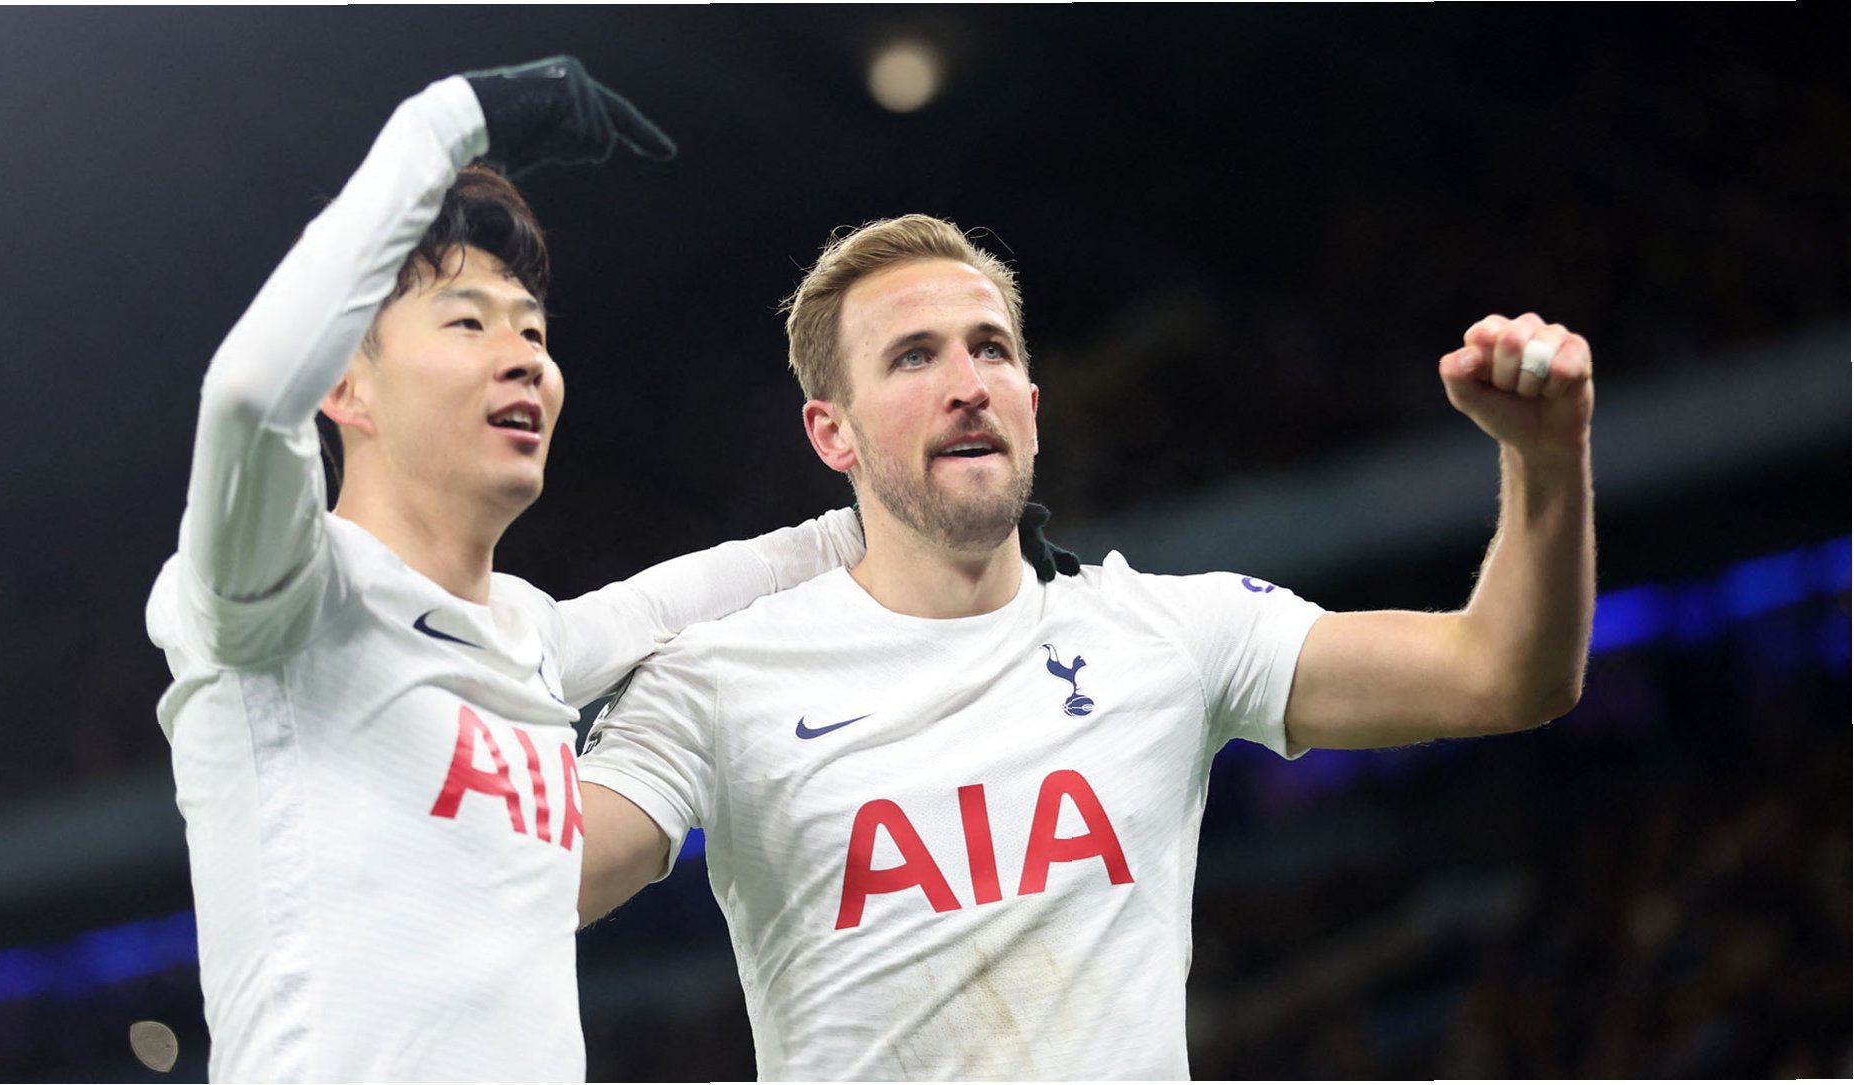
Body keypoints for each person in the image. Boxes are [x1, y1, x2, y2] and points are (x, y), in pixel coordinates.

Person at [575, 214, 1596, 1080]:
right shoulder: (719, 676)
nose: (968, 383)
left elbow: (1506, 674)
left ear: (1031, 403)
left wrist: (1546, 459)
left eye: (991, 348)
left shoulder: (1172, 631)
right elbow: (535, 883)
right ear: (830, 431)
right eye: (914, 356)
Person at [143, 57, 873, 1082]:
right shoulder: (285, 599)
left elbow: (680, 597)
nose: (525, 354)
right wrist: (450, 120)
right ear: (345, 387)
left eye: (533, 329)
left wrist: (903, 530)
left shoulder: (528, 638)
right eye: (469, 321)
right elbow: (248, 398)